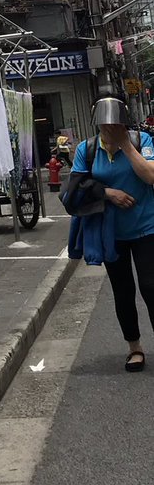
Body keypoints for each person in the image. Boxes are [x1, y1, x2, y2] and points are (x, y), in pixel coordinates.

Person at [72, 99, 154, 372]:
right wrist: (109, 193)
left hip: (146, 227)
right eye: (105, 123)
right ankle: (134, 347)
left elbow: (151, 176)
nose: (110, 128)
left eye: (115, 123)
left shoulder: (142, 141)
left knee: (151, 286)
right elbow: (74, 188)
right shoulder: (87, 148)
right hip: (111, 232)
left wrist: (126, 146)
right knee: (123, 290)